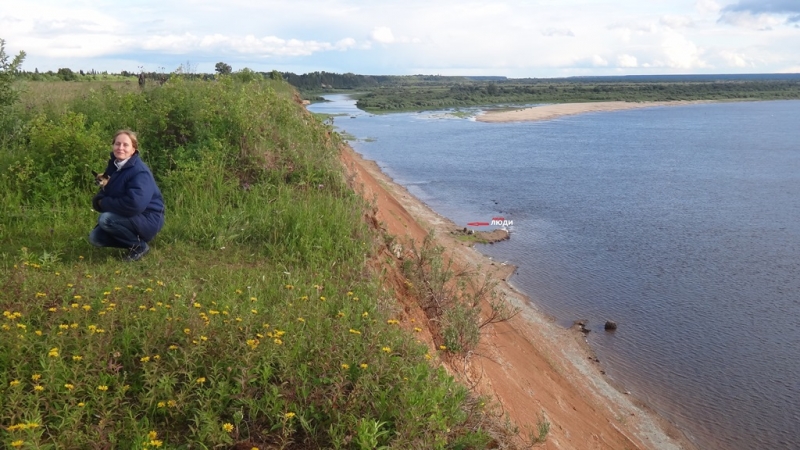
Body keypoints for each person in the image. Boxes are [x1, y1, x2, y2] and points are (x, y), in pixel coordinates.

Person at [89, 130, 165, 261]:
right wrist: (98, 200)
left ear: (133, 149)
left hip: (148, 218)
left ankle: (139, 246)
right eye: (117, 144)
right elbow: (106, 191)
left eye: (125, 145)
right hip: (130, 217)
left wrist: (103, 203)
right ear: (113, 146)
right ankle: (131, 241)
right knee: (96, 238)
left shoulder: (139, 172)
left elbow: (134, 204)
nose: (120, 148)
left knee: (106, 219)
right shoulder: (114, 166)